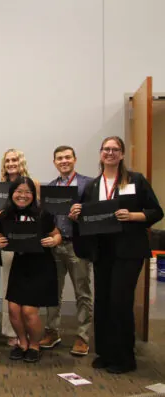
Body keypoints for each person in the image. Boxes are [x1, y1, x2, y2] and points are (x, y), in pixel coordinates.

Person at [70, 136, 163, 374]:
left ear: (122, 154)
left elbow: (156, 211)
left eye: (115, 149)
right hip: (102, 252)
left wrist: (133, 216)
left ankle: (124, 357)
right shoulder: (92, 186)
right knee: (102, 302)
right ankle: (105, 352)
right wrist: (76, 213)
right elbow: (86, 217)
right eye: (106, 149)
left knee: (120, 302)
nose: (110, 153)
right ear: (100, 154)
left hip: (128, 251)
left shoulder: (136, 180)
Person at [0, 176, 61, 363]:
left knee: (29, 312)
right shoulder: (6, 215)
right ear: (12, 193)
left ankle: (35, 345)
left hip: (40, 265)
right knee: (14, 309)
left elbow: (57, 235)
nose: (22, 196)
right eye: (19, 192)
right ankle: (22, 343)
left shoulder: (43, 214)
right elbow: (1, 236)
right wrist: (0, 243)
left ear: (33, 195)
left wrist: (53, 241)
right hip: (20, 265)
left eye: (27, 192)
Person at [39, 146, 93, 356]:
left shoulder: (87, 184)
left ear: (74, 159)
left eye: (67, 157)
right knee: (54, 291)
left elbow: (96, 212)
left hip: (77, 244)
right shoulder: (51, 187)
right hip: (55, 245)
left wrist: (83, 212)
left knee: (82, 292)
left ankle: (82, 336)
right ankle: (52, 331)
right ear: (54, 162)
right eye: (59, 158)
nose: (64, 161)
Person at [0, 149, 39, 346]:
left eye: (15, 160)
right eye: (8, 160)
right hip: (10, 241)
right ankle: (12, 332)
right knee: (9, 286)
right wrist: (10, 209)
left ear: (21, 162)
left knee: (29, 287)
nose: (11, 163)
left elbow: (38, 211)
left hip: (30, 242)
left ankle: (31, 331)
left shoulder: (33, 184)